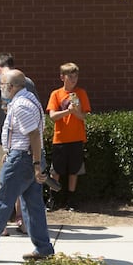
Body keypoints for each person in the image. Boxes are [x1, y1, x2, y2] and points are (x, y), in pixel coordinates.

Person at [0, 69, 55, 260]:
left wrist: (36, 164)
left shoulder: (21, 105)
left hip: (22, 160)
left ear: (12, 87)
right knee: (33, 205)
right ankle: (44, 248)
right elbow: (28, 135)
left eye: (3, 85)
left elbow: (33, 136)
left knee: (3, 200)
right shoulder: (29, 100)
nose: (1, 88)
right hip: (23, 157)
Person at [0, 52, 38, 234]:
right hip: (22, 146)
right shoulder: (28, 83)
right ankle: (22, 221)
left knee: (0, 183)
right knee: (21, 188)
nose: (2, 86)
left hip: (4, 142)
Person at [46, 62, 91, 210]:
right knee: (56, 170)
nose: (73, 79)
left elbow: (84, 116)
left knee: (74, 170)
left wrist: (76, 111)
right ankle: (53, 198)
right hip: (60, 138)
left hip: (77, 138)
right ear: (62, 77)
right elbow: (52, 116)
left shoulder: (81, 93)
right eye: (70, 76)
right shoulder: (56, 94)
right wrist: (68, 111)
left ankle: (71, 200)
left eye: (75, 76)